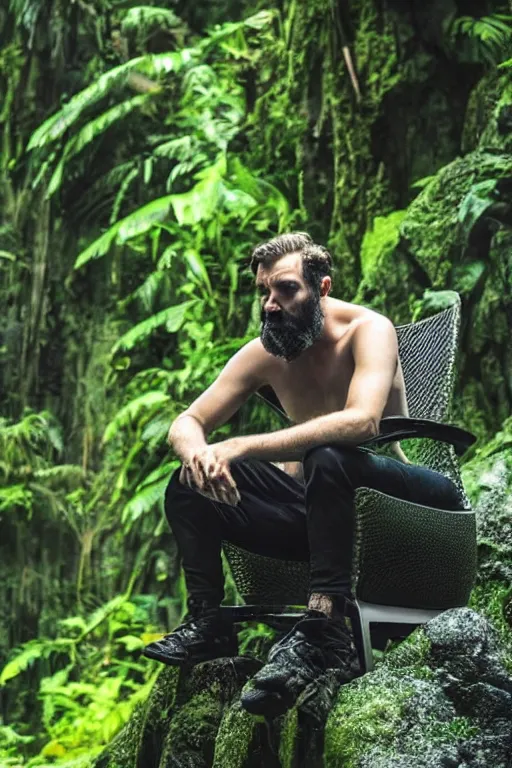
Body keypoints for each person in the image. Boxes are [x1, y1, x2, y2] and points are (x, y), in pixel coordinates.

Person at [142, 232, 463, 716]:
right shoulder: (263, 355)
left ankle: (325, 627)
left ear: (323, 288)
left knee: (329, 455)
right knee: (189, 481)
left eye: (287, 290)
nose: (271, 305)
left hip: (403, 510)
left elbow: (363, 422)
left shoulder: (368, 329)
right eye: (264, 292)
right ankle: (207, 622)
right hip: (320, 518)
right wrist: (200, 456)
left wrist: (241, 445)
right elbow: (187, 422)